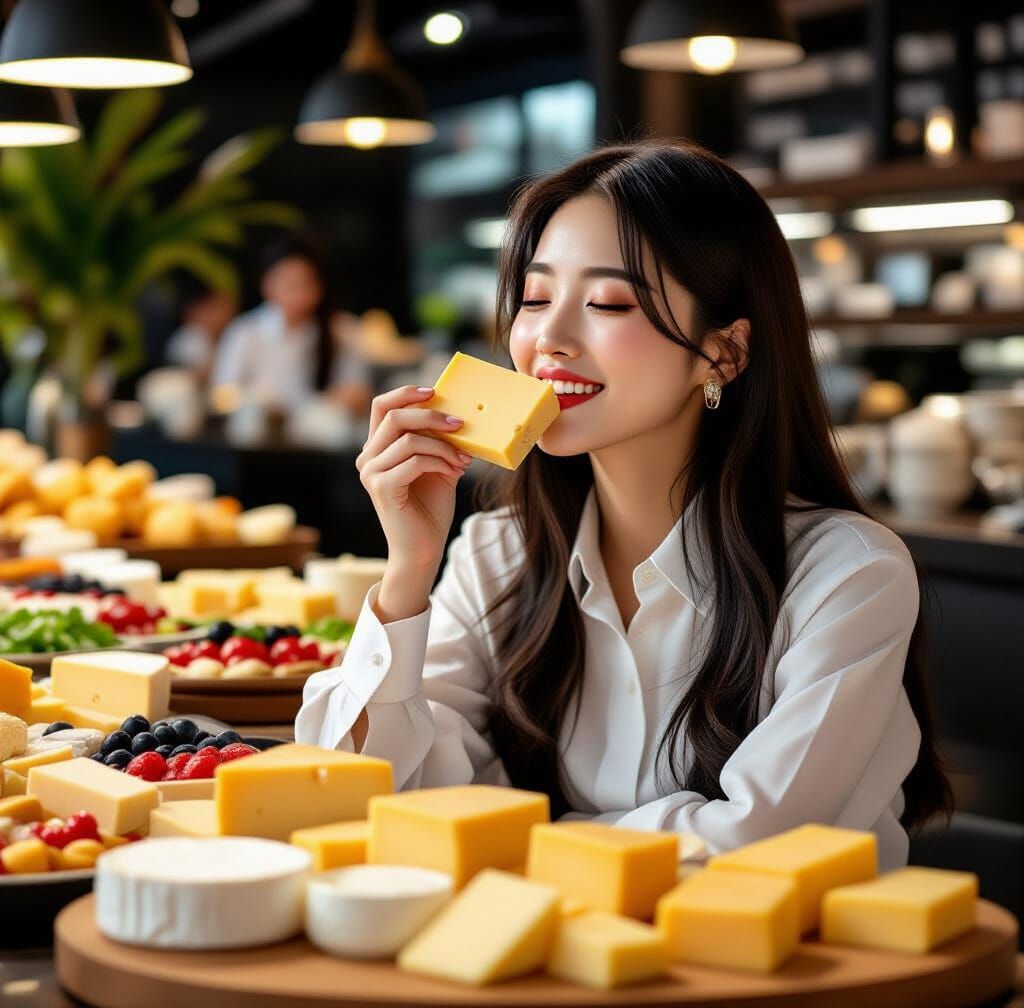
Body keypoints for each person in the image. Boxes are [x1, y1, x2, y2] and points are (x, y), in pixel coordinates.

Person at [297, 141, 951, 870]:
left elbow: (753, 844)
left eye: (609, 303)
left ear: (724, 355)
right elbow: (373, 795)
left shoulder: (848, 574)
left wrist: (523, 831)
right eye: (536, 298)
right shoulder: (498, 551)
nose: (548, 339)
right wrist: (407, 574)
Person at [210, 235, 372, 416]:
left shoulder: (342, 330)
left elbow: (358, 393)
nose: (298, 295)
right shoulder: (244, 331)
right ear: (267, 284)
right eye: (289, 284)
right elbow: (223, 394)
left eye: (305, 284)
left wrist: (334, 401)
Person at [165, 279, 238, 383]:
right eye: (217, 308)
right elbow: (201, 374)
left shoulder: (225, 335)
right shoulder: (190, 335)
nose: (227, 313)